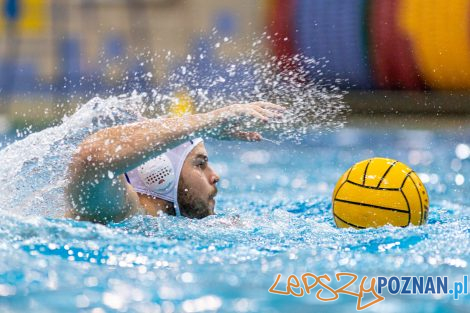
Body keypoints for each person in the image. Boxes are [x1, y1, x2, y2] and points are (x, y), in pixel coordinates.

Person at [65, 102, 285, 224]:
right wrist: (208, 120)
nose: (215, 175)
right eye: (200, 164)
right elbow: (91, 157)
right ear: (159, 172)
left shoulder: (162, 222)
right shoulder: (116, 209)